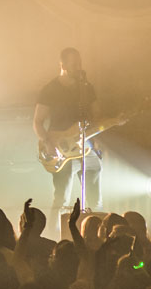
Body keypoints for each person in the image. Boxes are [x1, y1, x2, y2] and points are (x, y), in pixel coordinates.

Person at [33, 47, 102, 216]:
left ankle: (96, 229)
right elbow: (38, 121)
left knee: (95, 198)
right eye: (74, 64)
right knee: (62, 199)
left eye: (80, 63)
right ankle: (54, 234)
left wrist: (103, 130)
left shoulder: (86, 88)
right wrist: (48, 144)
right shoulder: (50, 89)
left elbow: (97, 116)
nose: (79, 67)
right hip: (61, 147)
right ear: (62, 65)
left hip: (85, 145)